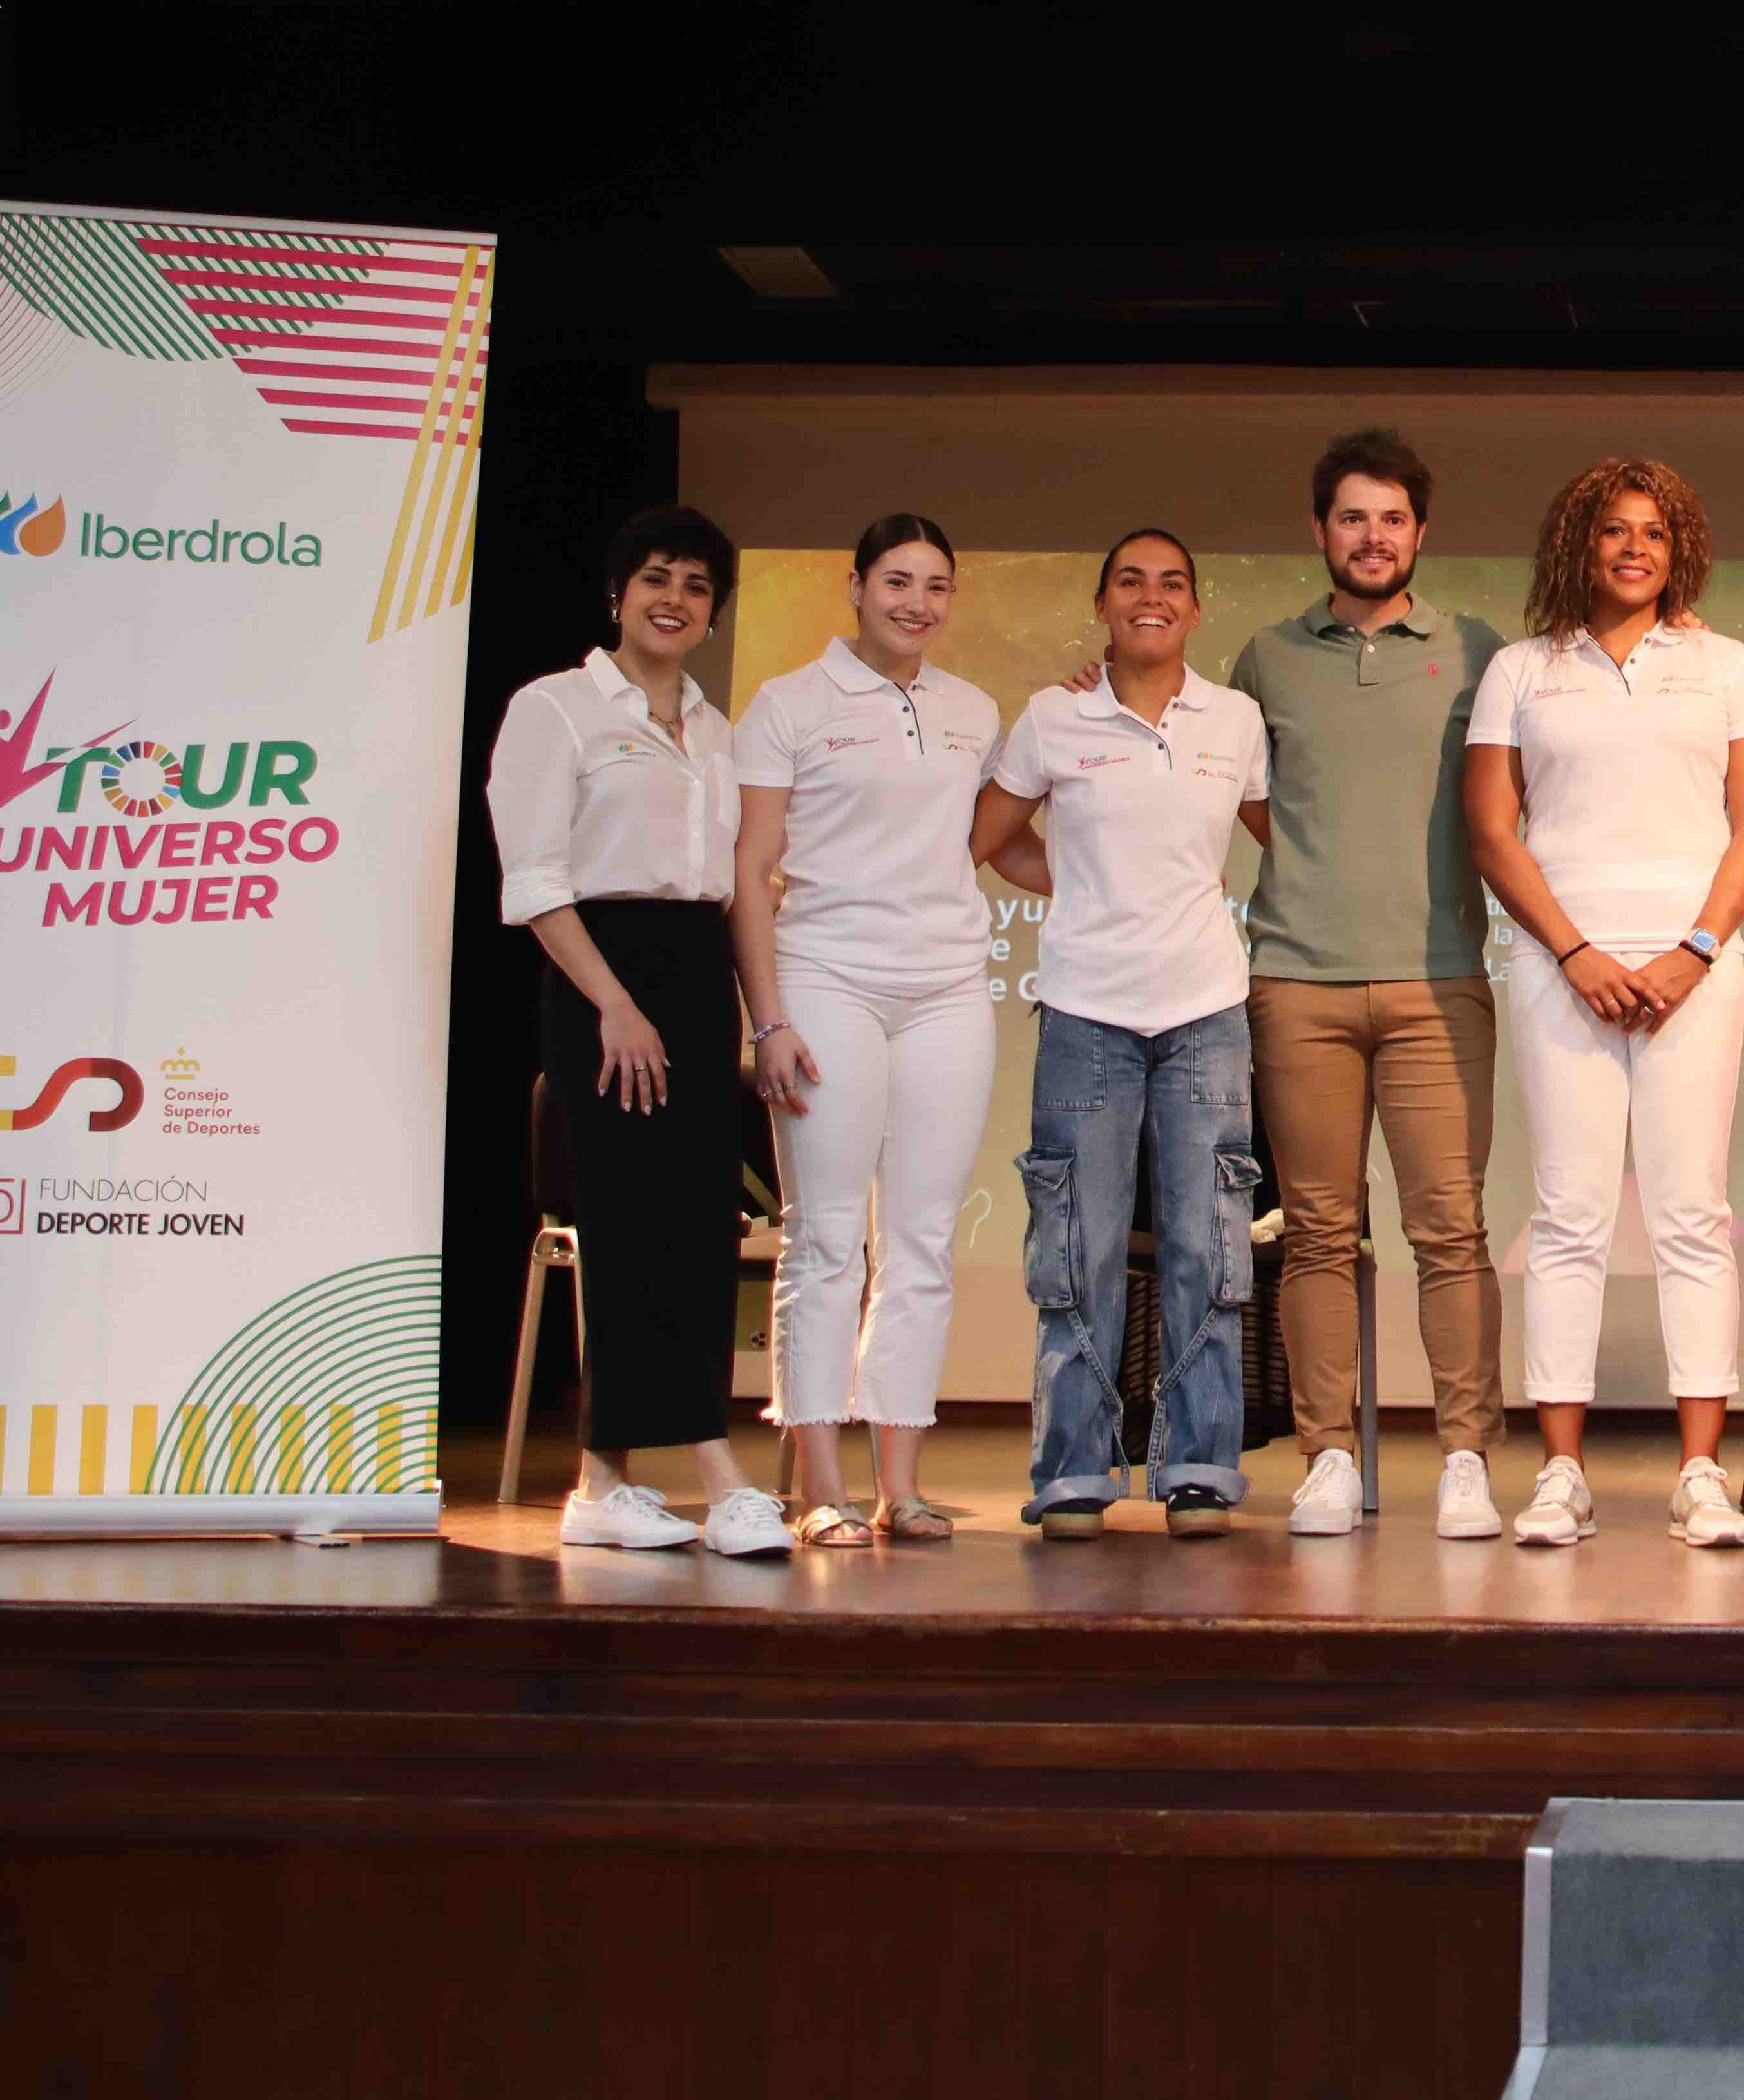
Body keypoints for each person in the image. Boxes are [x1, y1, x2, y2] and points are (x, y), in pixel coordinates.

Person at [1464, 458, 1744, 1549]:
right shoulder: (1521, 669)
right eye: (1613, 529)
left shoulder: (1727, 665)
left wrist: (1694, 949)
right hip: (1566, 972)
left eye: (1654, 531)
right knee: (1568, 1214)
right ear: (1579, 544)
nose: (1634, 546)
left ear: (1679, 547)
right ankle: (1561, 1472)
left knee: (1693, 1211)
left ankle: (1701, 1472)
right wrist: (1577, 951)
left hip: (1696, 970)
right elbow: (1495, 830)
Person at [1220, 431, 1513, 1543]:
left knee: (1452, 1229)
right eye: (1353, 517)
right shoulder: (1266, 655)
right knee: (1316, 1234)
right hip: (1298, 984)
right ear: (1321, 531)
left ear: (1420, 534)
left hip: (1441, 983)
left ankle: (1465, 1460)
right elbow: (1247, 793)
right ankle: (1329, 1455)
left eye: (1393, 518)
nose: (1374, 536)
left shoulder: (1479, 649)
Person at [484, 504, 786, 1558]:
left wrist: (763, 1015)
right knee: (624, 1228)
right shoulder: (555, 709)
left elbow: (739, 883)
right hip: (599, 979)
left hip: (699, 977)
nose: (675, 597)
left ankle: (600, 1486)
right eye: (657, 576)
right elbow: (533, 877)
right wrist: (613, 1002)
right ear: (620, 591)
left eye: (697, 585)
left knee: (700, 1229)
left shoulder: (716, 727)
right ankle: (717, 1470)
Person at [971, 530, 1271, 1540]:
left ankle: (1198, 1467)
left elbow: (1287, 835)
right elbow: (990, 837)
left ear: (1195, 607)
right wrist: (1082, 885)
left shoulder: (1234, 718)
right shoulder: (1056, 714)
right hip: (1087, 1011)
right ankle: (1072, 1473)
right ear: (1104, 602)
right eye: (1131, 581)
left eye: (1173, 582)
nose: (1153, 596)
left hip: (1205, 1014)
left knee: (1210, 1249)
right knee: (1075, 1250)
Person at [728, 514, 999, 1549]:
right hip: (825, 978)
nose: (916, 603)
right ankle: (818, 1486)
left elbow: (991, 845)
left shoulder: (974, 710)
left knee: (922, 1238)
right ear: (855, 586)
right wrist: (771, 1020)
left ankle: (903, 1483)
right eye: (897, 581)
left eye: (936, 585)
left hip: (946, 990)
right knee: (828, 1235)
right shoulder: (788, 704)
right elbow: (752, 873)